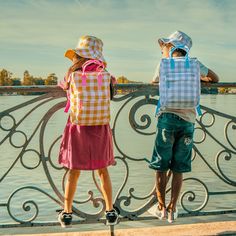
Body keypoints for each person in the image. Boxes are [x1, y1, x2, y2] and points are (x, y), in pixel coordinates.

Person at [149, 31, 219, 223]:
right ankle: (173, 208)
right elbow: (216, 78)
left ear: (171, 47)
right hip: (188, 121)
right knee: (179, 167)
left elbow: (154, 81)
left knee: (161, 165)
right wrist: (198, 79)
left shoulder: (163, 64)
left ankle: (161, 207)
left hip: (167, 118)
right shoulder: (195, 64)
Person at [57, 35, 119, 228]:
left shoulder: (72, 73)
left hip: (78, 125)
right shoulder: (105, 73)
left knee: (73, 172)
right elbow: (112, 93)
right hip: (99, 125)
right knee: (103, 171)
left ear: (78, 56)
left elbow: (66, 87)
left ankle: (67, 213)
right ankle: (110, 211)